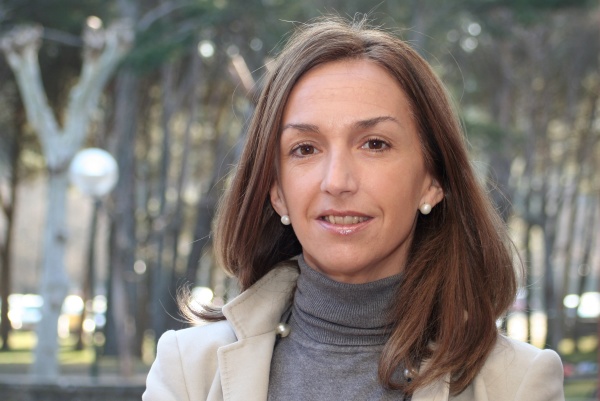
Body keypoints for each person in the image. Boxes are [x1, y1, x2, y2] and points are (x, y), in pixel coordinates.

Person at [143, 16, 564, 401]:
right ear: (277, 191)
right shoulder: (187, 371)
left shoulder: (517, 383)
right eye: (305, 149)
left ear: (433, 180)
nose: (337, 181)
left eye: (374, 144)